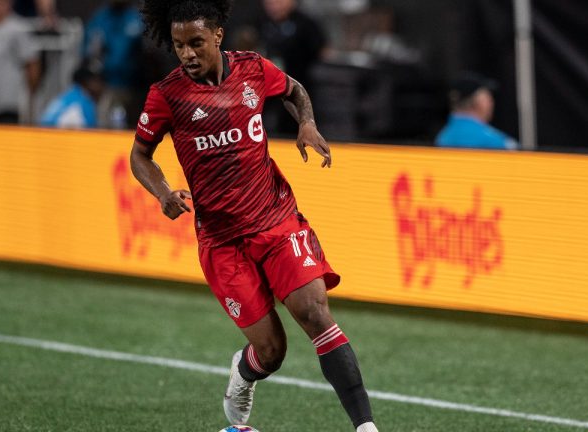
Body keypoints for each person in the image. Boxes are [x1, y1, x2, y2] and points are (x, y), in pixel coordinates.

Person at [131, 1, 378, 431]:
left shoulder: (253, 69)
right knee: (271, 352)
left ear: (218, 36)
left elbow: (294, 90)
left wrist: (306, 123)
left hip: (276, 220)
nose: (187, 53)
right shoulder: (167, 95)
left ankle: (366, 427)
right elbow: (140, 155)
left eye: (196, 43)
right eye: (178, 45)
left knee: (315, 313)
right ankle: (244, 373)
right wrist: (163, 192)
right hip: (222, 243)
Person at [254, 0, 327, 135]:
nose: (274, 5)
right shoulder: (260, 22)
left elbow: (322, 51)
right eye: (270, 2)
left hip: (298, 81)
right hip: (266, 83)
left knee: (295, 123)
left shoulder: (306, 23)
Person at [83, 0, 145, 128]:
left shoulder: (137, 18)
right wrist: (92, 77)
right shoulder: (100, 19)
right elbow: (87, 53)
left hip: (134, 88)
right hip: (105, 86)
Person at [0, 0, 41, 124]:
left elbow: (32, 62)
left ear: (7, 4)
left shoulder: (19, 28)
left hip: (11, 102)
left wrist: (31, 96)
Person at [435, 73, 518, 150]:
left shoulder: (443, 137)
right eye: (488, 99)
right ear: (479, 103)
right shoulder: (492, 140)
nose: (492, 103)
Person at [39, 63, 104, 128]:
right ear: (88, 82)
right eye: (96, 81)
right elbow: (92, 131)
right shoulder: (84, 102)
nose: (100, 86)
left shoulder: (64, 97)